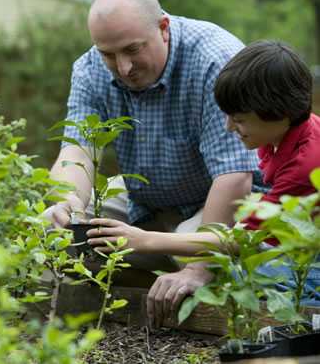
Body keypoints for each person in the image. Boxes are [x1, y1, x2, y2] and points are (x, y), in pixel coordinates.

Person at [42, 0, 263, 328]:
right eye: (108, 54)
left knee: (188, 255)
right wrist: (68, 204)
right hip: (143, 200)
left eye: (132, 49)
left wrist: (198, 268)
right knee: (48, 237)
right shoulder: (89, 70)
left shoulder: (215, 61)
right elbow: (77, 151)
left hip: (215, 202)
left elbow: (235, 176)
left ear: (163, 28)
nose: (123, 66)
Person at [87, 40, 320, 306]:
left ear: (281, 113)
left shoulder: (307, 164)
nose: (229, 126)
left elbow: (244, 240)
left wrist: (145, 240)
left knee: (238, 271)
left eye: (240, 119)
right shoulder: (285, 134)